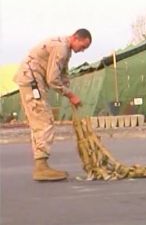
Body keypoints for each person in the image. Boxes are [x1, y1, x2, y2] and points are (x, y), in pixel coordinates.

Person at [14, 29, 92, 181]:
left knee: (40, 120)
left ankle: (41, 164)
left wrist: (69, 93)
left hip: (32, 80)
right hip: (32, 81)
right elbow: (53, 79)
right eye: (83, 47)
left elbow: (63, 75)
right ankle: (41, 167)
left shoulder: (65, 49)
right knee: (44, 120)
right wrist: (71, 95)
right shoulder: (61, 48)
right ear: (75, 38)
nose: (82, 51)